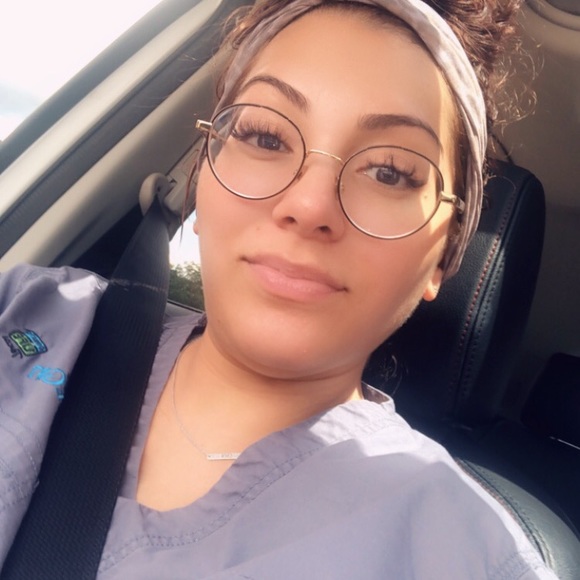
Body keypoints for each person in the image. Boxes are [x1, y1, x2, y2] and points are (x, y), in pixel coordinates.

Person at [0, 0, 559, 578]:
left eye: (389, 172)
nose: (309, 205)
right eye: (266, 137)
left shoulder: (469, 555)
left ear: (444, 257)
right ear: (203, 179)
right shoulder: (31, 312)